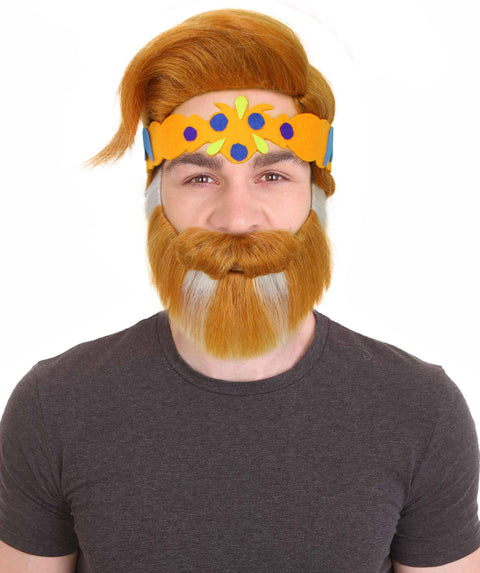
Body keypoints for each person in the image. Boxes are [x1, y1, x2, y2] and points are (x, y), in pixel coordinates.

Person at [0, 8, 479, 573]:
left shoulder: (420, 410)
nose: (236, 218)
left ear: (315, 198)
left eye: (272, 176)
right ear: (157, 203)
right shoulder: (55, 406)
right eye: (199, 177)